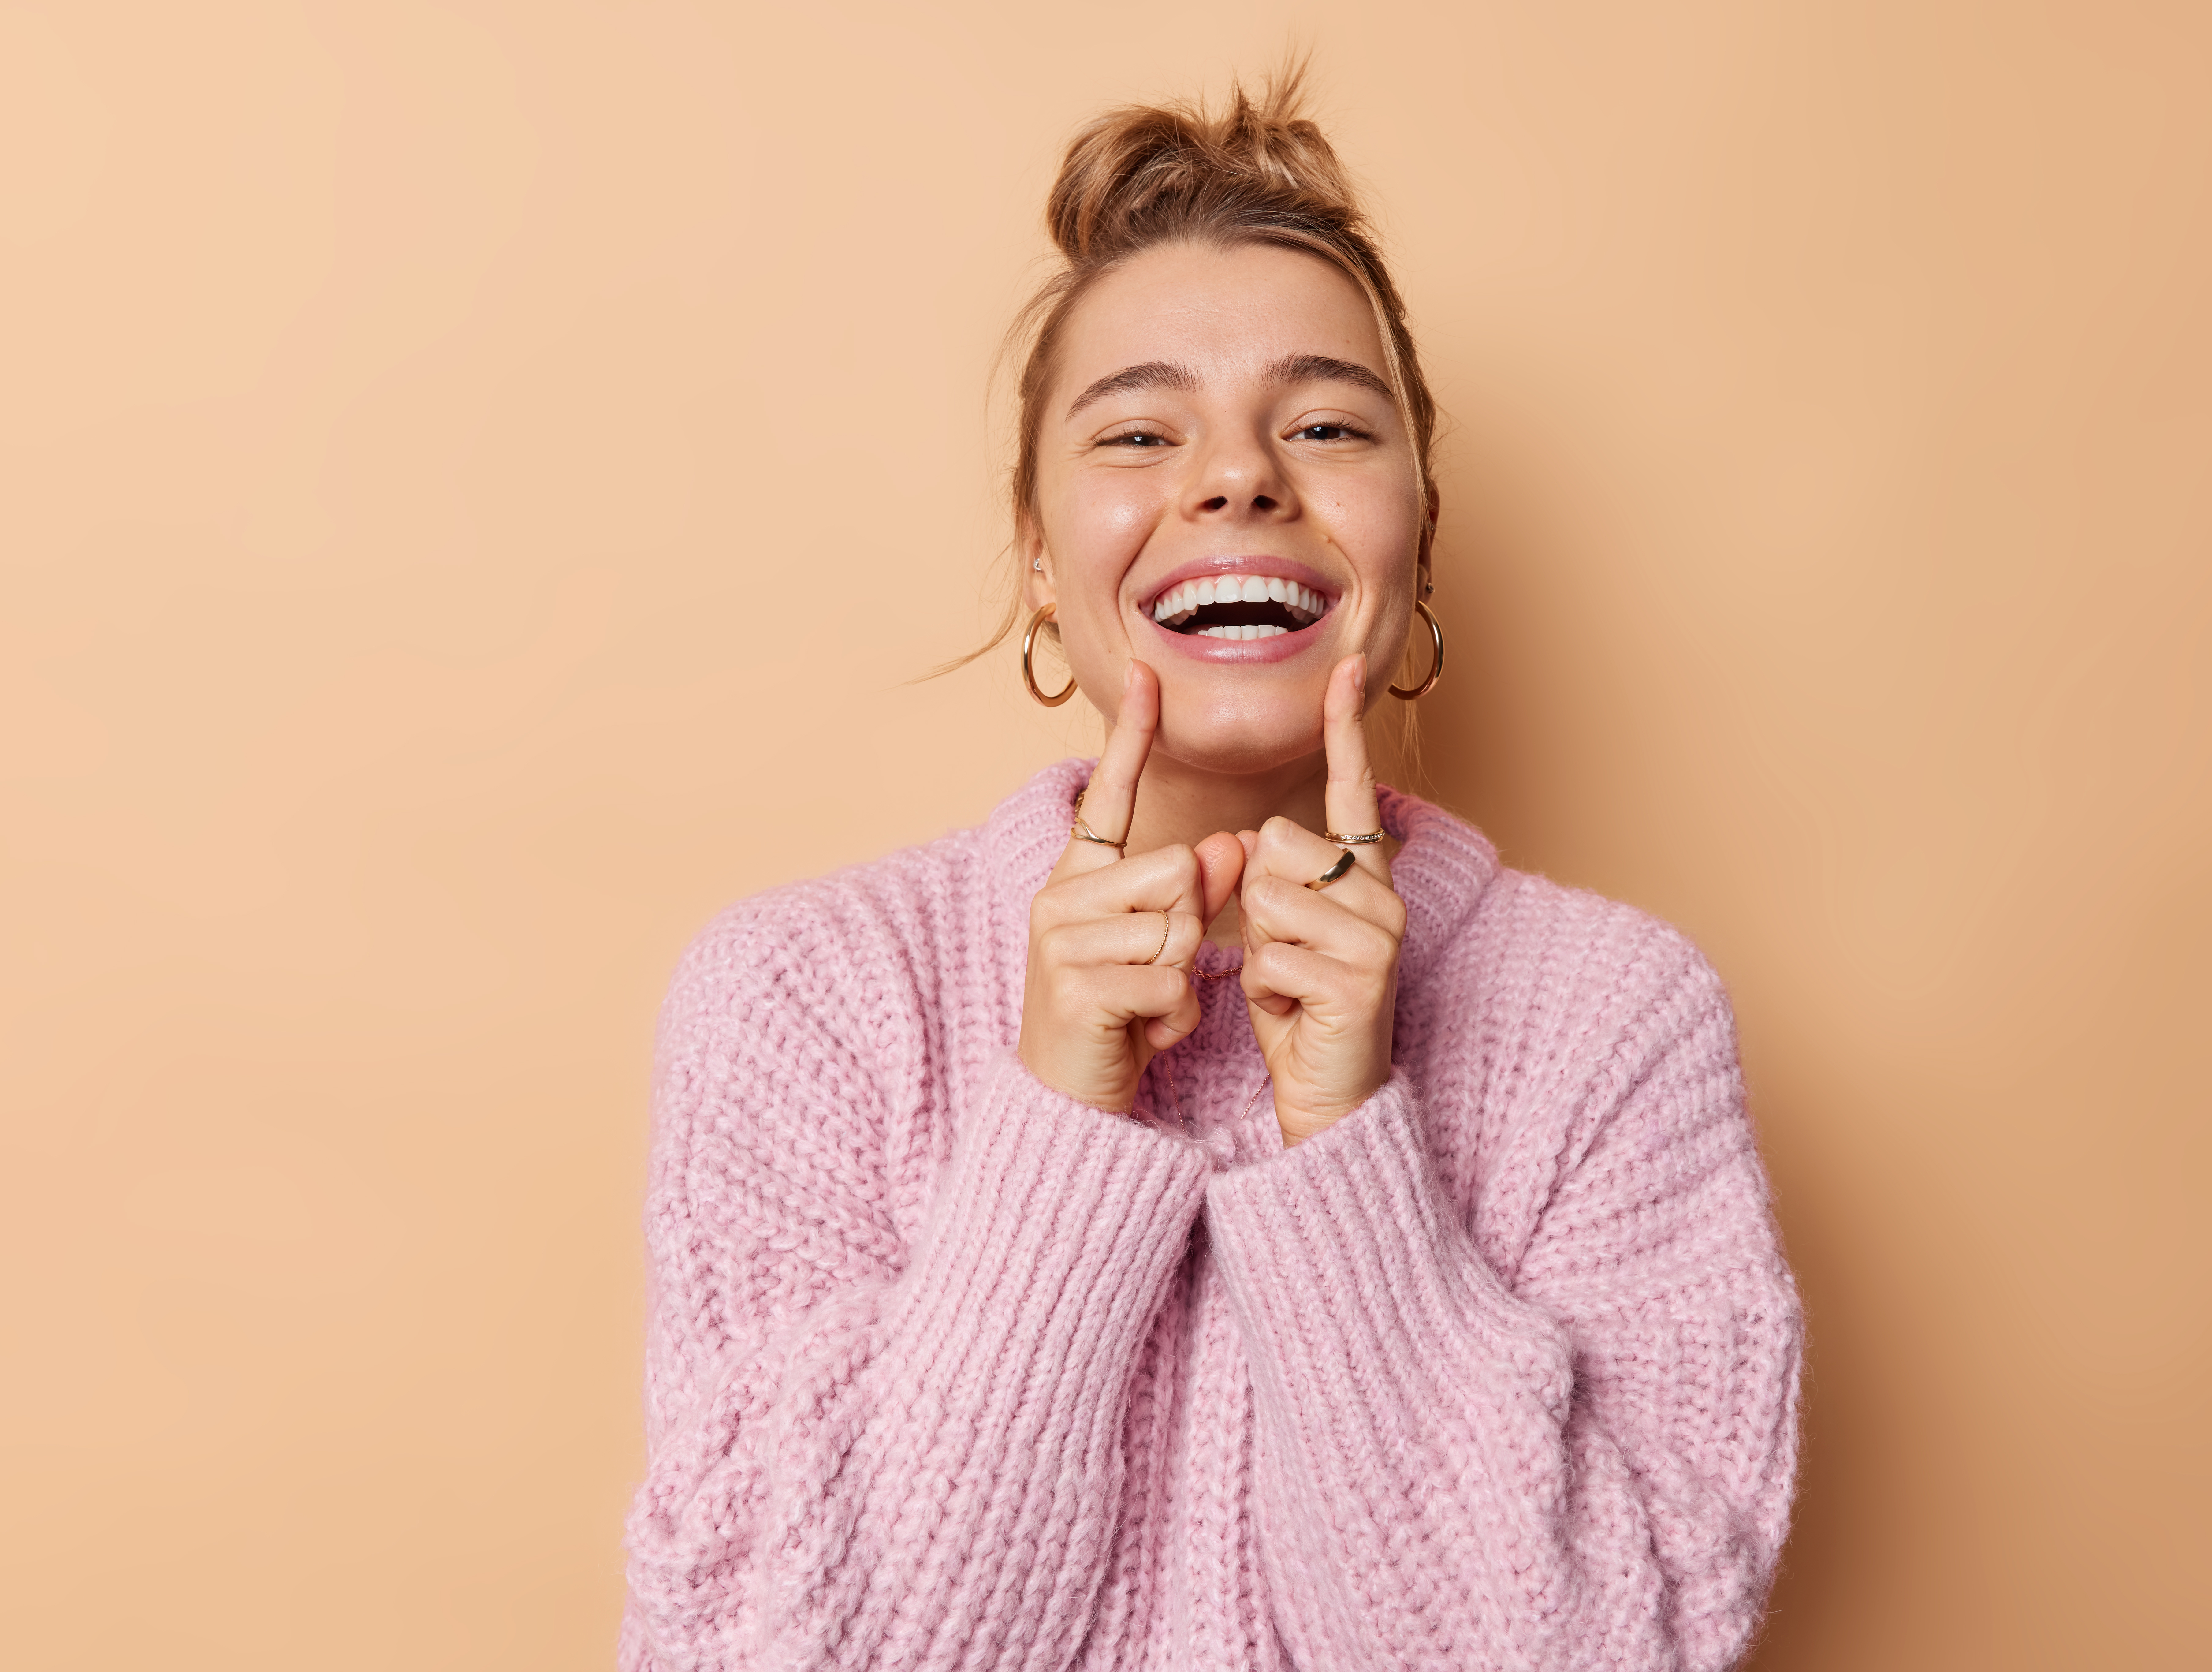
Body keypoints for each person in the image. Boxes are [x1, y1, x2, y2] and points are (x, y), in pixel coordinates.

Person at [621, 73, 1802, 1672]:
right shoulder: (805, 993)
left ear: (1418, 536)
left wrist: (1351, 1145)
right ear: (1040, 559)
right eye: (1138, 430)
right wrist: (1052, 1121)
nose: (1240, 477)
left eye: (1324, 424)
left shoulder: (1616, 1019)